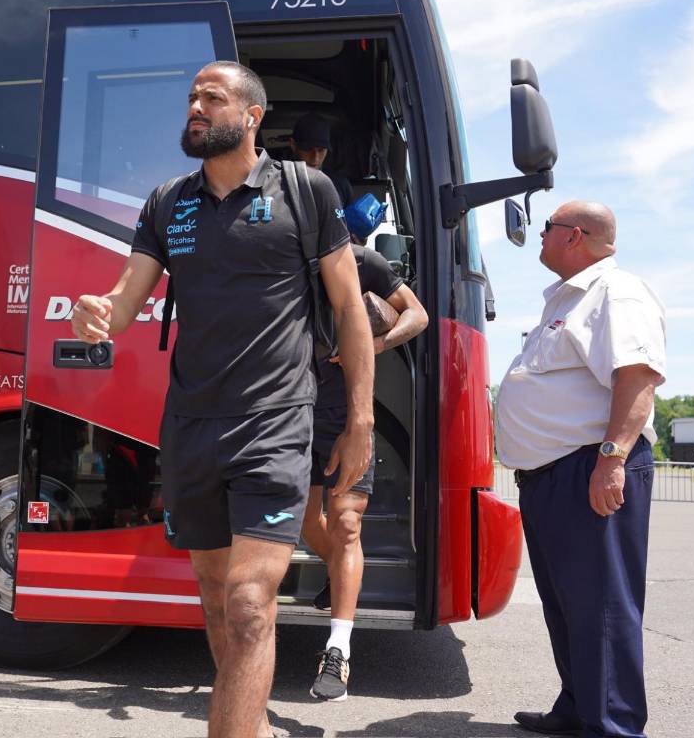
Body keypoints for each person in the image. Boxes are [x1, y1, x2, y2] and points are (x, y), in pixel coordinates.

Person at [71, 61, 375, 738]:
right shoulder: (167, 203)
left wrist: (358, 422)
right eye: (191, 99)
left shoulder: (305, 191)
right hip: (189, 427)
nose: (195, 108)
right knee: (214, 601)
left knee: (247, 603)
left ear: (252, 114)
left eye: (211, 98)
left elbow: (352, 309)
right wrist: (97, 310)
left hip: (274, 422)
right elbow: (125, 304)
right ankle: (254, 726)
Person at [496, 201, 665, 738]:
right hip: (552, 477)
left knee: (602, 610)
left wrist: (611, 461)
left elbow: (637, 378)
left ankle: (612, 726)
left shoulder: (617, 293)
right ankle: (578, 707)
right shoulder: (568, 299)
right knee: (567, 606)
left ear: (574, 236)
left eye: (546, 227)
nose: (538, 236)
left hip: (590, 469)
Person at [303, 231, 427, 702]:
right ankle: (338, 571)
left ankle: (338, 651)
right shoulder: (280, 256)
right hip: (292, 411)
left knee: (347, 525)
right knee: (303, 521)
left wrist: (374, 345)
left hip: (347, 413)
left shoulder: (363, 260)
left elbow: (418, 314)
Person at [288, 112, 353, 206]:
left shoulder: (341, 185)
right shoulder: (279, 184)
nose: (315, 157)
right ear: (293, 145)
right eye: (308, 149)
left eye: (321, 150)